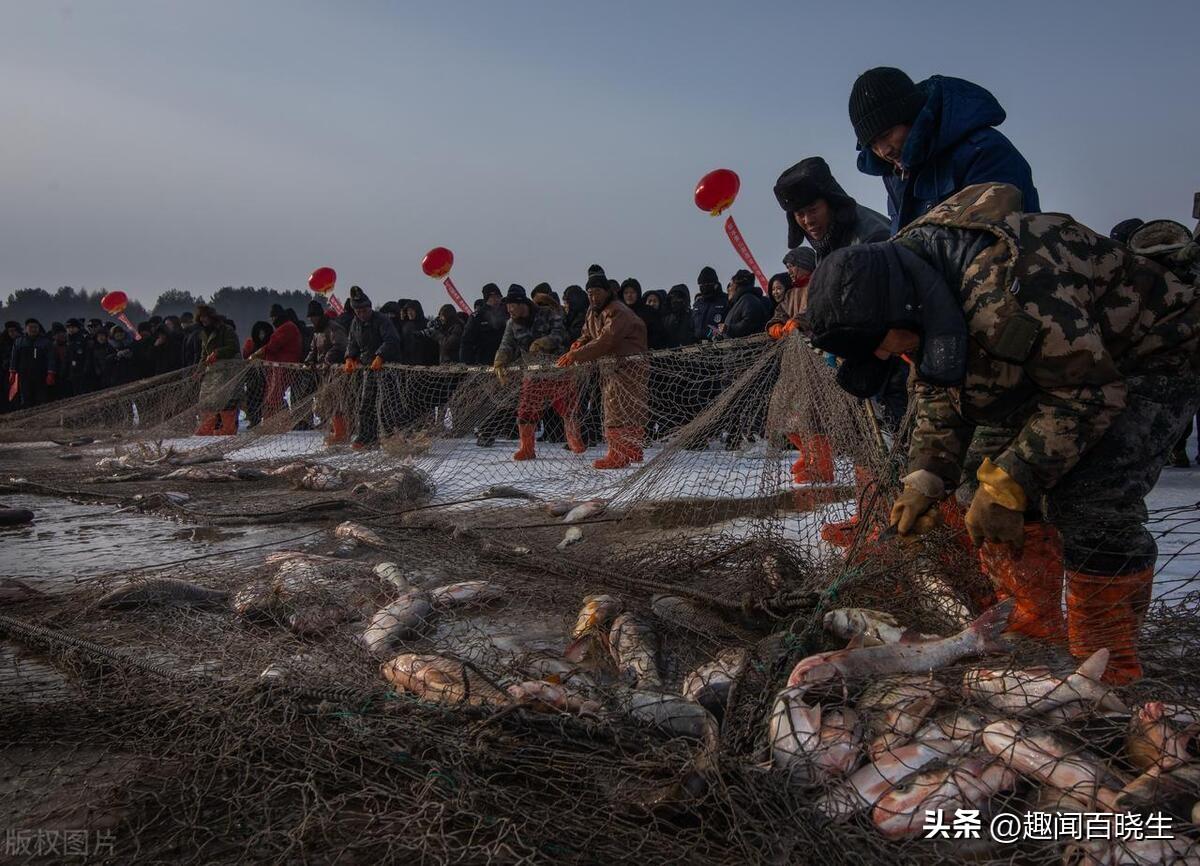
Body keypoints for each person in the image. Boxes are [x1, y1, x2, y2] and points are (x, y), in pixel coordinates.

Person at [805, 182, 1200, 685]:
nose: (882, 358)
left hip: (1151, 355)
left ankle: (1110, 663)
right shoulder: (913, 285)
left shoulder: (1006, 292)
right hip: (1056, 372)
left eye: (879, 346)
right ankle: (1035, 630)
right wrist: (926, 476)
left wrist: (1014, 482)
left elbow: (1088, 394)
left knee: (1090, 497)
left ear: (902, 311)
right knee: (976, 483)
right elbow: (938, 388)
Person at [849, 67, 1040, 233]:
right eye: (873, 145)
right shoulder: (897, 177)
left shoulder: (983, 151)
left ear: (911, 116)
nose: (883, 151)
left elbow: (992, 240)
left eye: (886, 134)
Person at [557, 273, 649, 469]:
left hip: (629, 366)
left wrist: (577, 355)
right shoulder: (593, 311)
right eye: (589, 293)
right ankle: (630, 451)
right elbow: (588, 334)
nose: (593, 296)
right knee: (618, 407)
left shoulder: (618, 311)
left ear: (607, 292)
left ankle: (619, 454)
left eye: (597, 292)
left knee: (620, 408)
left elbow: (606, 339)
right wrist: (578, 344)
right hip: (611, 366)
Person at [491, 284, 578, 460]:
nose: (509, 309)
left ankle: (575, 441)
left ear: (522, 304)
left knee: (568, 408)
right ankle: (527, 448)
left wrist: (544, 342)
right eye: (507, 305)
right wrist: (500, 360)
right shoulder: (511, 324)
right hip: (534, 373)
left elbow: (561, 334)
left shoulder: (548, 314)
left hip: (557, 370)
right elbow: (507, 344)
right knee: (526, 411)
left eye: (512, 305)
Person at [773, 157, 891, 263]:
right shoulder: (826, 244)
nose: (808, 221)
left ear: (833, 203)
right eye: (800, 214)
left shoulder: (871, 240)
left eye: (813, 210)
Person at [343, 292, 402, 450]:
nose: (361, 314)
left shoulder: (382, 320)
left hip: (386, 368)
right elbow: (352, 342)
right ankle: (366, 437)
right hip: (368, 369)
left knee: (387, 404)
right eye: (358, 311)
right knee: (366, 404)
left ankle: (392, 436)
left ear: (369, 307)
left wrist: (380, 355)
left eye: (364, 310)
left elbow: (392, 340)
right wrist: (350, 357)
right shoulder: (355, 323)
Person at [303, 300, 349, 444]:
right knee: (327, 402)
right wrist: (309, 360)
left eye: (314, 316)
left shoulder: (334, 328)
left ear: (319, 316)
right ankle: (335, 430)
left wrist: (328, 358)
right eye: (310, 317)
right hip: (324, 373)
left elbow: (340, 345)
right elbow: (313, 349)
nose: (312, 319)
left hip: (336, 372)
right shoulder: (317, 332)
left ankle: (341, 433)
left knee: (338, 402)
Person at [194, 304, 242, 436]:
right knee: (207, 399)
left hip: (228, 372)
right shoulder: (204, 333)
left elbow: (233, 348)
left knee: (227, 400)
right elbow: (204, 354)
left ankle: (228, 427)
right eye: (201, 318)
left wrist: (217, 353)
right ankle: (207, 427)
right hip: (212, 373)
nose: (203, 320)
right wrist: (200, 369)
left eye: (205, 317)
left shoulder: (226, 330)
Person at [7, 319, 56, 410]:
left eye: (35, 327)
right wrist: (12, 372)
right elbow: (14, 358)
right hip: (24, 375)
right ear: (26, 329)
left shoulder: (45, 342)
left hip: (41, 374)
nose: (33, 329)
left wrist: (51, 372)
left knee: (41, 398)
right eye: (31, 327)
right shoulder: (19, 342)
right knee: (26, 397)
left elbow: (51, 359)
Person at [718, 270, 771, 339]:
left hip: (749, 347)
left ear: (737, 285)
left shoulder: (748, 300)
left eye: (731, 285)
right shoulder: (740, 301)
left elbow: (750, 324)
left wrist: (728, 329)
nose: (728, 289)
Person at [241, 321, 274, 428]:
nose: (261, 336)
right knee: (252, 396)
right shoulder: (250, 343)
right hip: (253, 375)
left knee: (266, 397)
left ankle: (266, 419)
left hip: (266, 373)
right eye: (259, 333)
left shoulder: (269, 344)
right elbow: (246, 355)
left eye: (263, 333)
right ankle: (254, 420)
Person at [692, 266, 728, 342]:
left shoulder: (725, 301)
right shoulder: (698, 304)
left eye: (707, 284)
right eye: (701, 285)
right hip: (696, 348)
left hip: (719, 346)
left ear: (715, 284)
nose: (704, 287)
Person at [0, 321, 20, 412]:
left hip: (18, 372)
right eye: (10, 331)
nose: (12, 333)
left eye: (14, 331)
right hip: (5, 373)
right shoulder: (3, 342)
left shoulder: (21, 341)